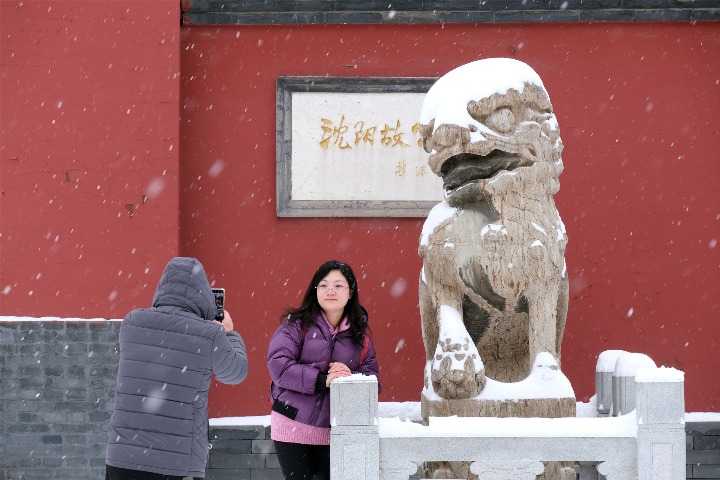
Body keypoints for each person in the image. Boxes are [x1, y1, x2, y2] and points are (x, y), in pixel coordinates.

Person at [106, 257, 249, 480]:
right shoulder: (210, 334)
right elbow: (236, 372)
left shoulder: (132, 323)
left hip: (123, 458)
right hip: (178, 463)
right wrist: (229, 333)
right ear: (204, 294)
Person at [267, 260, 380, 480]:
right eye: (324, 285)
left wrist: (348, 376)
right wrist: (322, 380)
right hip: (292, 425)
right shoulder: (296, 326)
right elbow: (278, 365)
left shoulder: (361, 335)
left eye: (339, 285)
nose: (330, 291)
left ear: (350, 293)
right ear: (315, 290)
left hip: (336, 431)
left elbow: (373, 380)